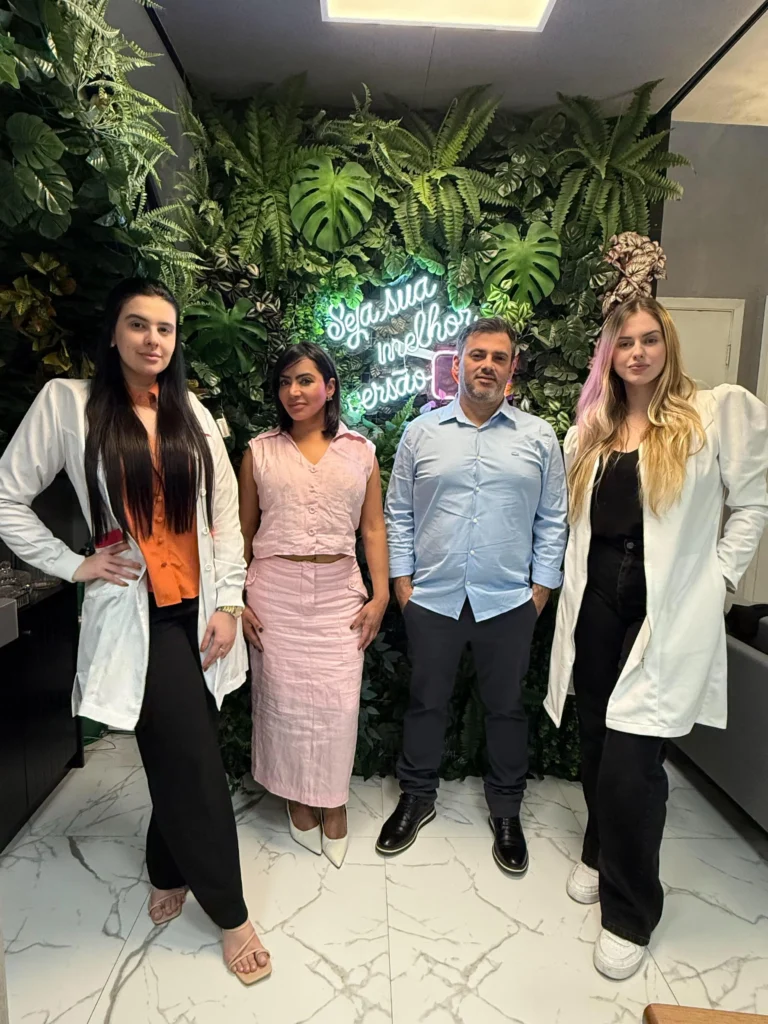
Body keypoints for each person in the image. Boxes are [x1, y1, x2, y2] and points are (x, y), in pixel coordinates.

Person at [0, 278, 270, 985]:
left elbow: (222, 517)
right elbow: (6, 497)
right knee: (196, 765)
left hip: (199, 611)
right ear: (114, 332)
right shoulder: (68, 404)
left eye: (165, 328)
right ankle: (232, 915)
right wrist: (74, 563)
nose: (154, 339)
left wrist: (230, 603)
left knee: (183, 750)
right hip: (137, 614)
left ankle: (165, 867)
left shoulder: (192, 413)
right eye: (138, 324)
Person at [547, 296, 768, 981]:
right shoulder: (591, 431)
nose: (637, 352)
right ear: (609, 355)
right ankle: (597, 848)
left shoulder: (711, 414)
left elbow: (753, 501)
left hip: (664, 611)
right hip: (597, 605)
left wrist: (721, 577)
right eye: (624, 342)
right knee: (593, 740)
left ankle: (631, 910)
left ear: (667, 344)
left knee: (633, 765)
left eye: (649, 339)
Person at [377, 316, 568, 872]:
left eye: (498, 357)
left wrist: (540, 590)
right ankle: (417, 797)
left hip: (508, 601)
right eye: (477, 355)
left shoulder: (538, 437)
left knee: (506, 709)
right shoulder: (422, 433)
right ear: (457, 363)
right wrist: (403, 584)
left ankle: (506, 811)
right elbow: (398, 514)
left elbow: (553, 518)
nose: (487, 365)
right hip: (432, 598)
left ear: (512, 368)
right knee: (425, 702)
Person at [239, 341, 389, 869]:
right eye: (284, 382)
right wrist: (236, 600)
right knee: (281, 704)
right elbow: (243, 531)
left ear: (329, 387)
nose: (294, 391)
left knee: (337, 707)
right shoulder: (259, 452)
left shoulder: (361, 452)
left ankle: (334, 800)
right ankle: (297, 799)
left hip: (339, 594)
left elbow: (373, 528)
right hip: (274, 593)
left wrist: (381, 594)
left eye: (304, 380)